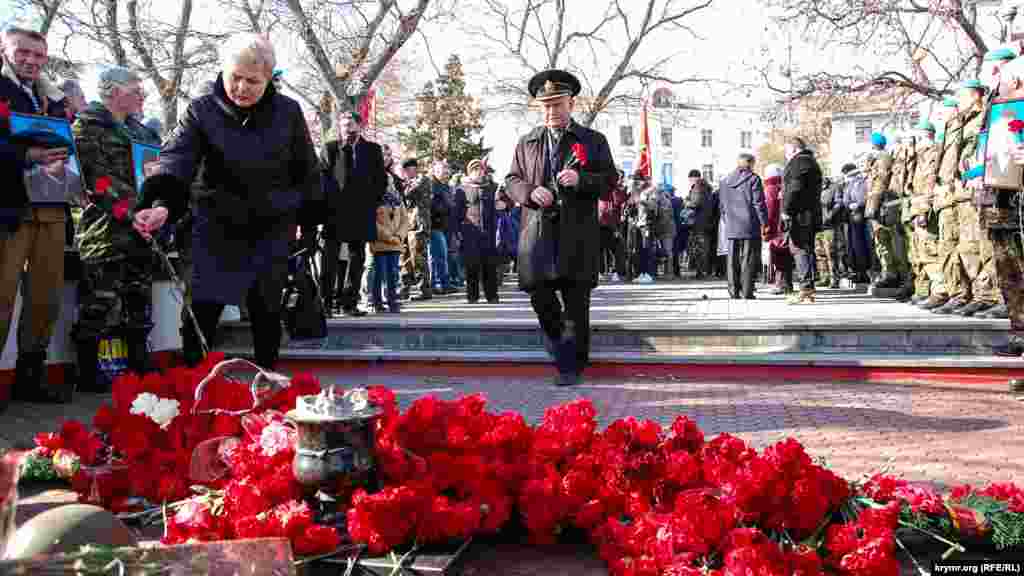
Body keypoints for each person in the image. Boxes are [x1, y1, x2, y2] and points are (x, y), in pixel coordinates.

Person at [133, 33, 320, 369]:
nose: (242, 88)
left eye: (253, 81)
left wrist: (308, 222)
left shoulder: (288, 112)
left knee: (266, 312)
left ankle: (267, 381)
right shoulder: (201, 110)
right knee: (202, 309)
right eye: (236, 77)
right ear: (223, 70)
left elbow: (305, 169)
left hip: (270, 227)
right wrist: (161, 204)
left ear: (269, 79)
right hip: (215, 225)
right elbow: (178, 159)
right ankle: (194, 384)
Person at [506, 69, 615, 387]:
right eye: (546, 106)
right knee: (540, 296)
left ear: (571, 103)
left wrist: (582, 180)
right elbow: (511, 180)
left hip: (577, 233)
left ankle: (572, 366)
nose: (551, 111)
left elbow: (610, 181)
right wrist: (528, 191)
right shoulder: (527, 142)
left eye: (558, 104)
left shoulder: (592, 141)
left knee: (576, 302)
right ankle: (561, 349)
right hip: (538, 234)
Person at [71, 66, 161, 391]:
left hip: (141, 230)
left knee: (139, 299)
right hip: (105, 232)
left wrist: (153, 207)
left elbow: (155, 172)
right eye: (135, 87)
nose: (142, 94)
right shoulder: (86, 126)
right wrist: (129, 211)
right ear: (111, 90)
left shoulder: (141, 132)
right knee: (99, 303)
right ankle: (87, 373)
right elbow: (95, 179)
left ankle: (139, 364)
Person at [0, 26, 74, 404]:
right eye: (22, 52)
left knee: (46, 296)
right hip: (9, 208)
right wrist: (26, 156)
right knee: (2, 295)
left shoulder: (54, 98)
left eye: (38, 55)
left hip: (51, 206)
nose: (30, 60)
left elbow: (67, 144)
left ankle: (30, 376)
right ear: (4, 50)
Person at [318, 111, 386, 317]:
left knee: (357, 258)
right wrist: (325, 209)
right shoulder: (330, 148)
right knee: (329, 259)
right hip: (334, 214)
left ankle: (349, 303)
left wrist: (370, 203)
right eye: (343, 124)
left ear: (360, 126)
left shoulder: (372, 150)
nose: (346, 128)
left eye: (350, 124)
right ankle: (326, 303)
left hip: (361, 212)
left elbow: (380, 181)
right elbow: (322, 180)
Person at [864, 132, 910, 294]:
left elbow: (881, 182)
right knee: (881, 241)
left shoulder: (883, 158)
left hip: (884, 206)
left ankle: (901, 276)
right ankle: (889, 273)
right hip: (876, 205)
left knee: (893, 242)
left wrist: (873, 206)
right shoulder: (873, 159)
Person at [720, 152, 768, 299]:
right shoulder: (753, 179)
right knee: (748, 258)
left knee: (731, 258)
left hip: (731, 223)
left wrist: (726, 220)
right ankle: (747, 291)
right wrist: (764, 222)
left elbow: (721, 205)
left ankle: (733, 291)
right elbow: (758, 203)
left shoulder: (725, 180)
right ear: (751, 163)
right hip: (749, 224)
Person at [782, 136, 824, 304]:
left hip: (800, 214)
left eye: (786, 151)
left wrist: (786, 210)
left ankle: (806, 288)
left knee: (799, 249)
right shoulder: (810, 161)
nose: (785, 155)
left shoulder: (799, 162)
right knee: (806, 249)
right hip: (810, 213)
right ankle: (809, 289)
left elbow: (794, 188)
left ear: (794, 149)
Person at [460, 159, 501, 303]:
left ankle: (492, 295)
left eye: (481, 169)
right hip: (470, 232)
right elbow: (457, 211)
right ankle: (472, 296)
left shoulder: (492, 187)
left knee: (489, 265)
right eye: (475, 170)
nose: (478, 172)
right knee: (471, 265)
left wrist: (504, 205)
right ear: (469, 172)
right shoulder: (462, 189)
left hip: (488, 232)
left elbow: (505, 201)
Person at [367, 177, 409, 313]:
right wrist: (389, 237)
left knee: (393, 273)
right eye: (386, 182)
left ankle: (392, 301)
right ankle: (376, 302)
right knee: (379, 273)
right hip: (380, 243)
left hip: (396, 242)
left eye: (390, 182)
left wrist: (399, 236)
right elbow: (372, 221)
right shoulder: (373, 198)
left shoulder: (398, 199)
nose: (389, 184)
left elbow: (405, 220)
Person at [400, 158, 433, 300]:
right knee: (405, 256)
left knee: (418, 256)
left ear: (414, 168)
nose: (406, 173)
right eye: (405, 171)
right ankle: (404, 288)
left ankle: (424, 289)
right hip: (406, 223)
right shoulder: (407, 182)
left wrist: (403, 186)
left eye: (408, 169)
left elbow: (409, 193)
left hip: (419, 223)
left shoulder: (423, 180)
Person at [764, 163, 793, 294]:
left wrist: (766, 227)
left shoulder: (770, 188)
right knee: (785, 254)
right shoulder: (786, 186)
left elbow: (769, 209)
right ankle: (787, 284)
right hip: (786, 225)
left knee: (777, 255)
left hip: (776, 227)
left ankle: (780, 284)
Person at [429, 160, 455, 294]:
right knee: (438, 256)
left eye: (446, 170)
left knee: (441, 255)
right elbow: (432, 205)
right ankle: (438, 284)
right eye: (441, 170)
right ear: (434, 171)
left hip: (444, 224)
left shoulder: (446, 186)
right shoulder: (433, 185)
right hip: (435, 224)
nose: (444, 173)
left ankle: (441, 283)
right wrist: (444, 209)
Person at [684, 169, 713, 278]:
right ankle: (704, 270)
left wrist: (687, 202)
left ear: (693, 178)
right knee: (704, 247)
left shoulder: (698, 187)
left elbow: (695, 203)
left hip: (698, 222)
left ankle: (700, 272)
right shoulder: (707, 188)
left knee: (698, 248)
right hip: (707, 221)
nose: (689, 182)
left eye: (690, 179)